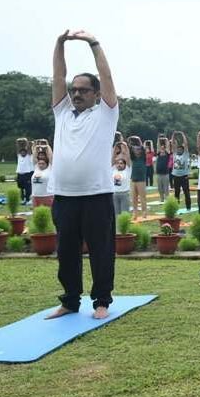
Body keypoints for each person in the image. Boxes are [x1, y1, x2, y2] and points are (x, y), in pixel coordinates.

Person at [46, 29, 119, 320]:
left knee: (101, 252)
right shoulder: (62, 113)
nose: (76, 93)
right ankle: (70, 301)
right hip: (64, 197)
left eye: (83, 90)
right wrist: (59, 44)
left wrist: (93, 44)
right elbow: (57, 76)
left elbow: (108, 78)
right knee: (66, 254)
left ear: (97, 94)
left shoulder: (105, 114)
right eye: (74, 90)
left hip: (96, 195)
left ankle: (101, 300)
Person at [125, 136, 147, 218]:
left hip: (141, 180)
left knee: (142, 197)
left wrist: (137, 139)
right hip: (133, 179)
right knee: (134, 197)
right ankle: (135, 213)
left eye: (138, 150)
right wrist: (129, 139)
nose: (136, 151)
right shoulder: (133, 158)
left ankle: (144, 212)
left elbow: (142, 147)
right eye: (135, 150)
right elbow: (129, 147)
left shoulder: (143, 157)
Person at [169, 131, 192, 210]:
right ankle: (176, 207)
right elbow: (172, 145)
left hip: (184, 176)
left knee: (186, 192)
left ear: (183, 150)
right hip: (176, 176)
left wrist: (183, 135)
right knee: (176, 193)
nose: (178, 150)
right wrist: (173, 135)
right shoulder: (175, 154)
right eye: (178, 149)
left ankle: (188, 207)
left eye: (180, 149)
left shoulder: (185, 155)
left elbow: (185, 144)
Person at [31, 142, 54, 208]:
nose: (40, 165)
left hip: (47, 196)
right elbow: (34, 156)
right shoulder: (36, 168)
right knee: (36, 215)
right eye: (39, 163)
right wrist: (36, 147)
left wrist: (46, 146)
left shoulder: (50, 168)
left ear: (46, 164)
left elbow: (50, 156)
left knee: (48, 215)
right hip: (35, 196)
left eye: (43, 164)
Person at [15, 138, 34, 205]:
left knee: (27, 187)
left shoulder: (29, 156)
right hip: (20, 174)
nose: (22, 152)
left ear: (26, 152)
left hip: (27, 174)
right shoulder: (19, 156)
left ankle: (28, 199)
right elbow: (17, 147)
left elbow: (28, 148)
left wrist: (26, 141)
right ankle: (23, 199)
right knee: (21, 188)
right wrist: (17, 141)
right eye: (21, 152)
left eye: (24, 152)